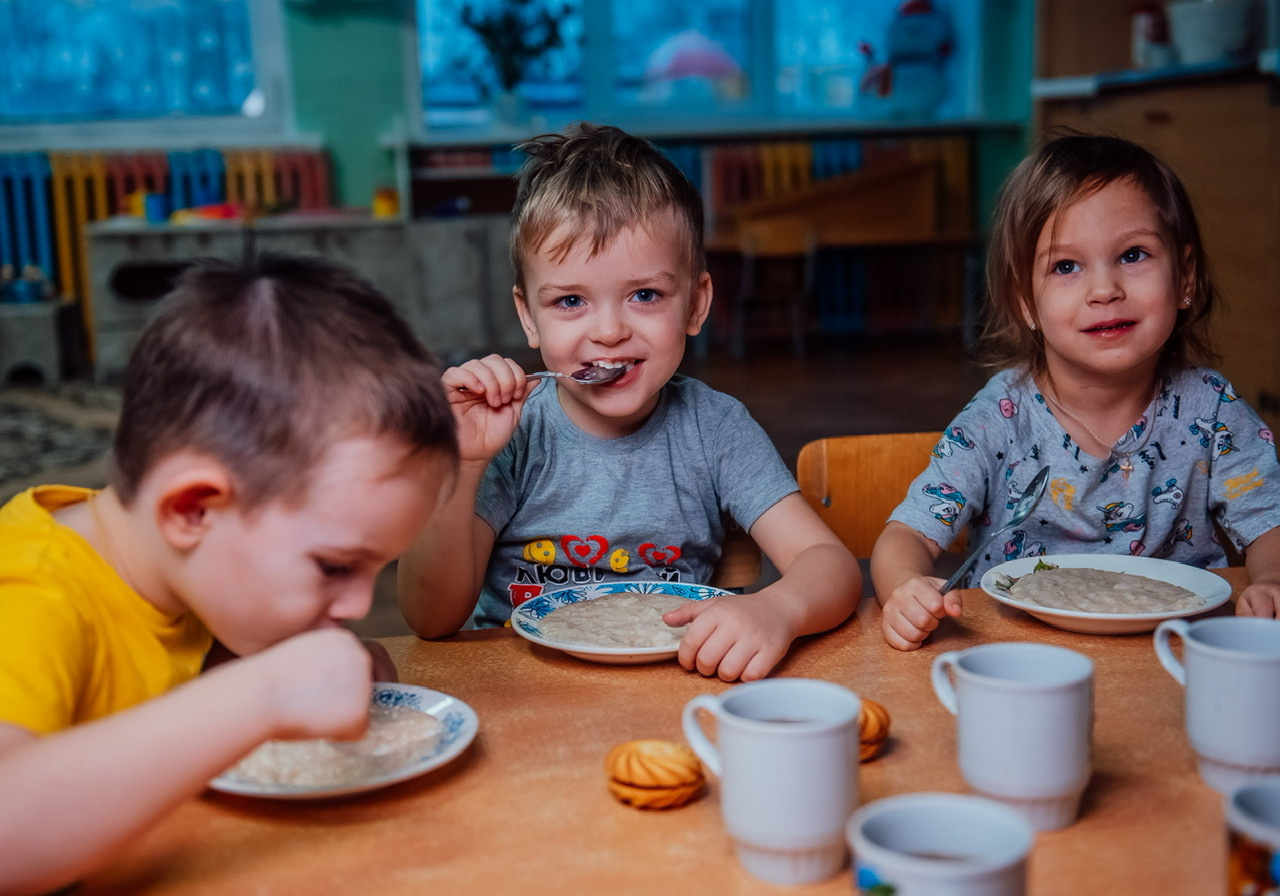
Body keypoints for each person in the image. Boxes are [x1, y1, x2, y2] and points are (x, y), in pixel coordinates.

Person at [0, 253, 457, 894]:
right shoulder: (30, 593)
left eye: (374, 572)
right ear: (192, 508)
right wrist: (260, 694)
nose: (358, 604)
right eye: (335, 566)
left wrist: (273, 669)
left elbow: (159, 678)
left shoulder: (178, 573)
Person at [398, 122, 860, 681]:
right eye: (570, 300)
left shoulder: (715, 428)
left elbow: (831, 567)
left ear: (695, 304)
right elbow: (430, 619)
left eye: (645, 295)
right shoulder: (512, 432)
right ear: (529, 317)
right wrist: (461, 463)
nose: (610, 331)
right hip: (520, 691)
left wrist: (776, 609)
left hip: (673, 686)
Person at [871, 133, 1280, 651]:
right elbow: (906, 536)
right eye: (1066, 266)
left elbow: (1269, 523)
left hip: (1173, 656)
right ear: (1024, 299)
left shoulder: (1212, 408)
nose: (1104, 290)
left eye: (1133, 254)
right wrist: (905, 588)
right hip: (1018, 655)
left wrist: (1270, 582)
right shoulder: (998, 418)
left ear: (1186, 277)